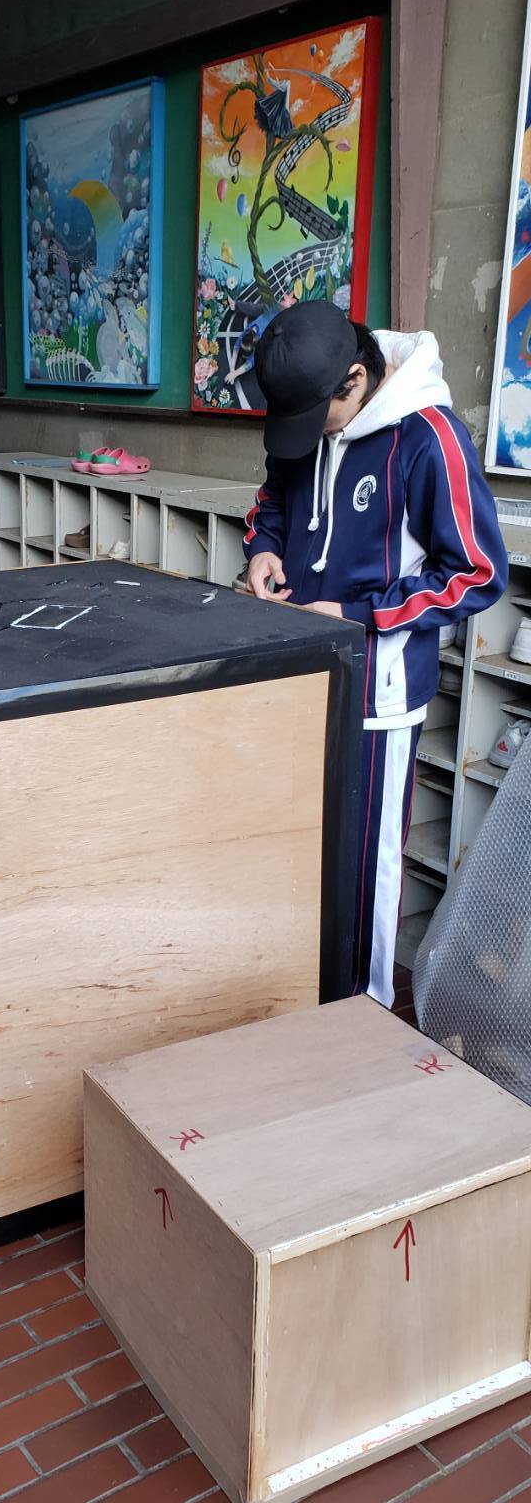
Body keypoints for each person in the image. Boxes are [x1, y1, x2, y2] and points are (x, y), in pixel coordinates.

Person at [245, 300, 507, 1006]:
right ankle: (297, 993)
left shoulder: (429, 439)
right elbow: (273, 498)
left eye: (318, 418)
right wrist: (264, 548)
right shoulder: (312, 414)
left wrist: (360, 614)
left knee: (367, 861)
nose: (308, 434)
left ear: (356, 380)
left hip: (378, 692)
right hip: (298, 672)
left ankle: (365, 1010)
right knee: (295, 839)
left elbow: (477, 573)